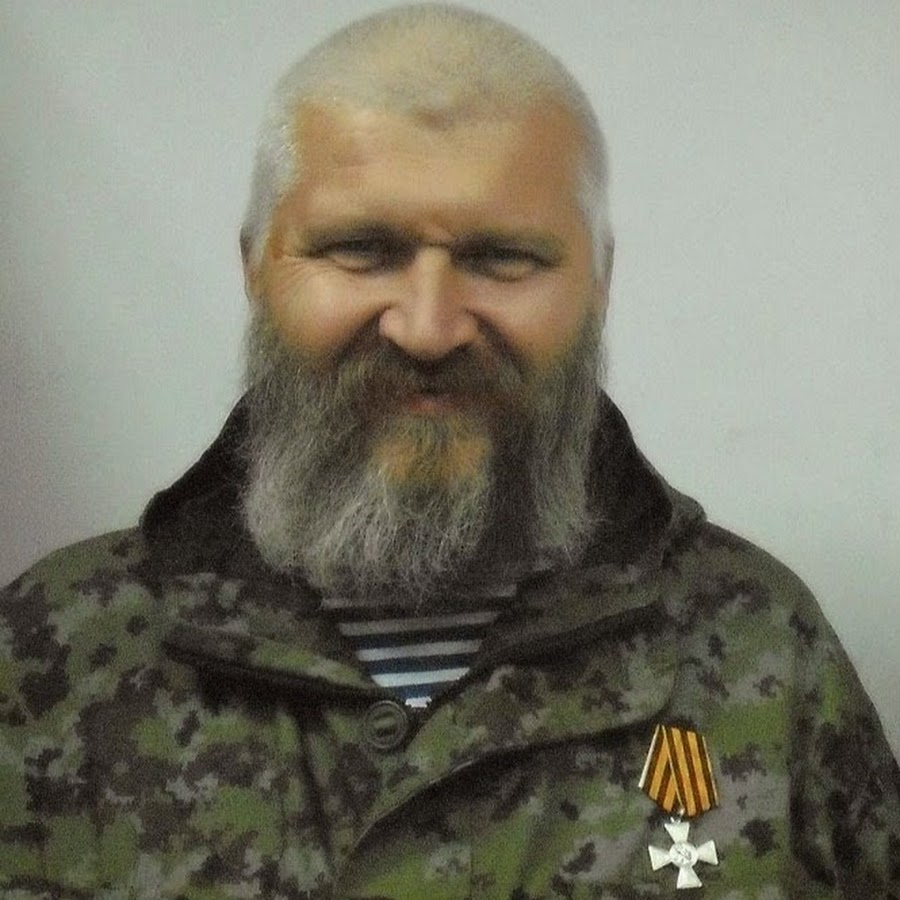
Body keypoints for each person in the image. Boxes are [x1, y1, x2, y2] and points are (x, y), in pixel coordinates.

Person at [1, 4, 898, 897]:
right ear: (255, 269)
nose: (428, 329)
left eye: (503, 258)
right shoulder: (51, 657)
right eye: (361, 250)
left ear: (599, 284)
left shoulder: (760, 650)